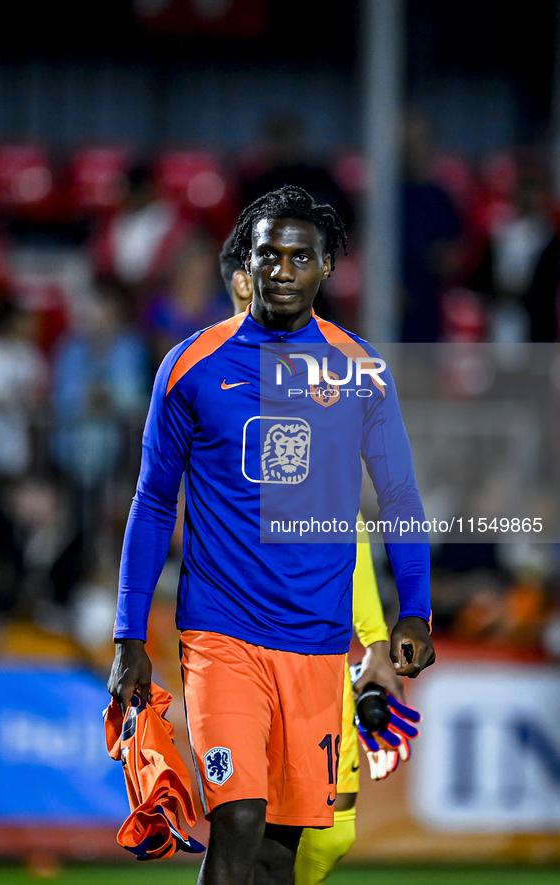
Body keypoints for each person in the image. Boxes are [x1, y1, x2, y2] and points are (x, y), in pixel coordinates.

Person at [109, 185, 435, 885]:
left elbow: (400, 497)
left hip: (316, 645)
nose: (282, 269)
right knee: (237, 819)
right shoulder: (190, 367)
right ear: (246, 267)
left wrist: (415, 608)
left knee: (286, 850)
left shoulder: (361, 372)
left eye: (299, 257)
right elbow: (151, 502)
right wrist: (128, 634)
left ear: (327, 268)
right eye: (268, 255)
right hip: (219, 634)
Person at [219, 233, 413, 884]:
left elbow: (353, 525)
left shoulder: (334, 375)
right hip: (241, 643)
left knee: (329, 834)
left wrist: (375, 640)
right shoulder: (209, 379)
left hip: (323, 642)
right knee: (245, 824)